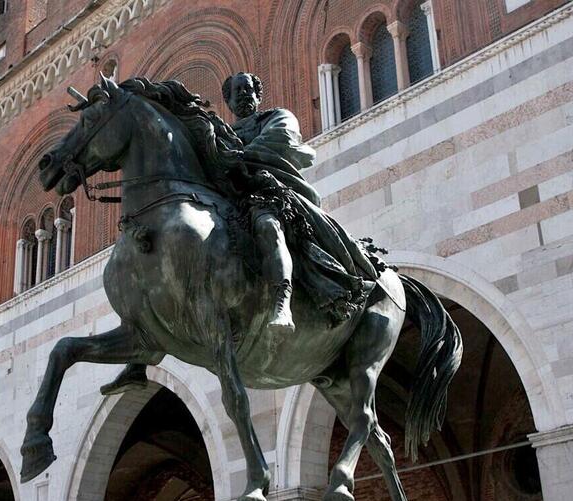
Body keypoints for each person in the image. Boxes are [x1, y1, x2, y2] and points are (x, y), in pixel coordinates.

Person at [99, 73, 383, 396]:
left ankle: (281, 302)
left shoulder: (276, 118)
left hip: (268, 193)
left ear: (257, 95)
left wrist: (234, 156)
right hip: (231, 203)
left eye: (249, 90)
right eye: (237, 92)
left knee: (268, 228)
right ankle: (141, 350)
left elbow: (280, 141)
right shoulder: (223, 134)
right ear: (229, 101)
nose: (244, 96)